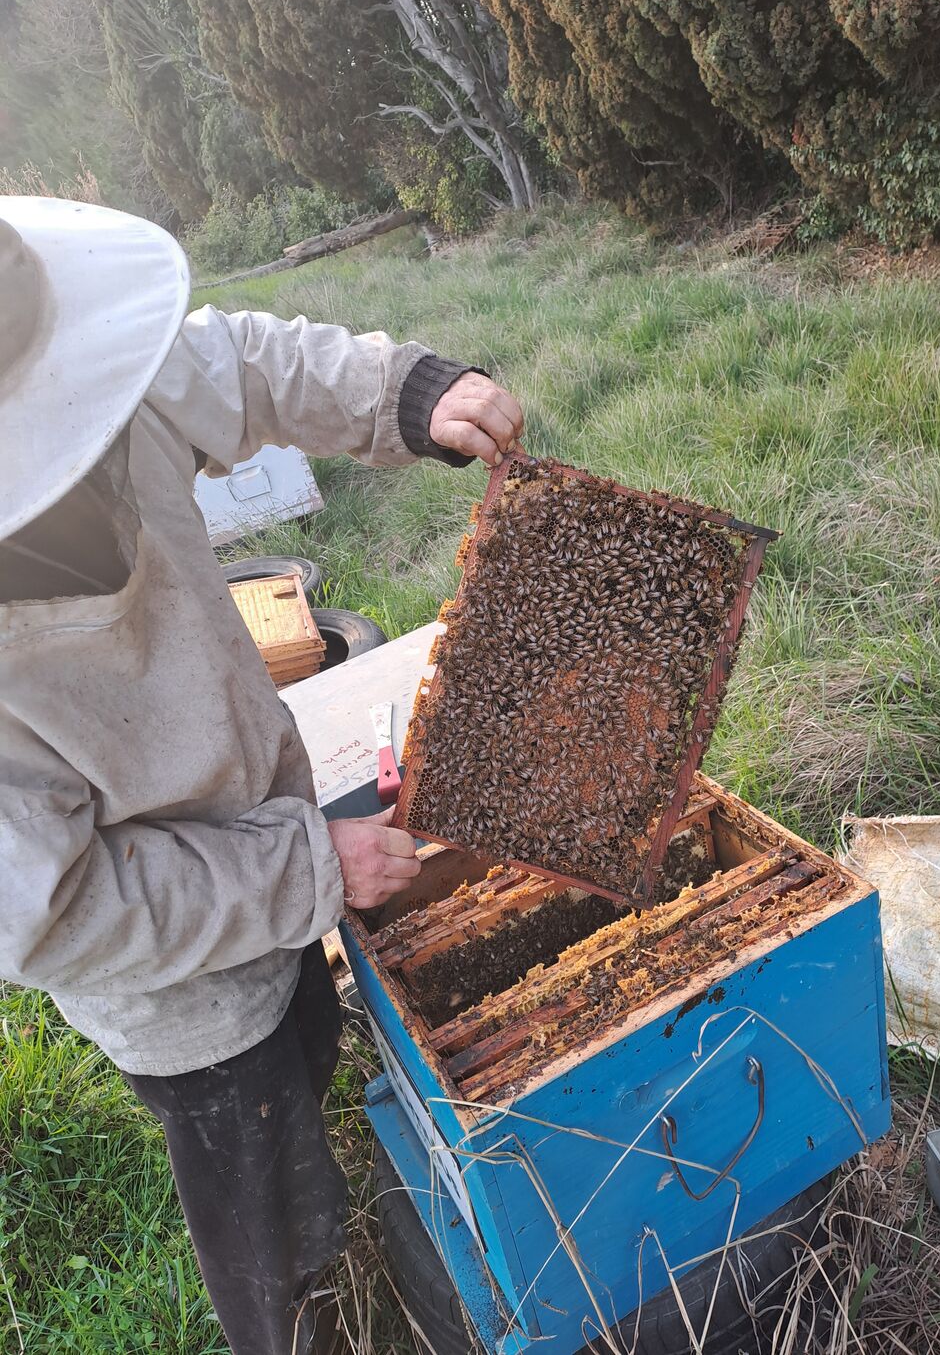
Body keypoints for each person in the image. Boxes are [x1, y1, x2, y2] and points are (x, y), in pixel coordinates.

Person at [0, 196, 524, 1355]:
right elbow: (55, 913)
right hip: (173, 987)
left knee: (302, 1034)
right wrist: (304, 867)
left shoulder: (83, 359)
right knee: (270, 1213)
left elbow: (234, 364)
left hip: (271, 830)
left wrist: (406, 390)